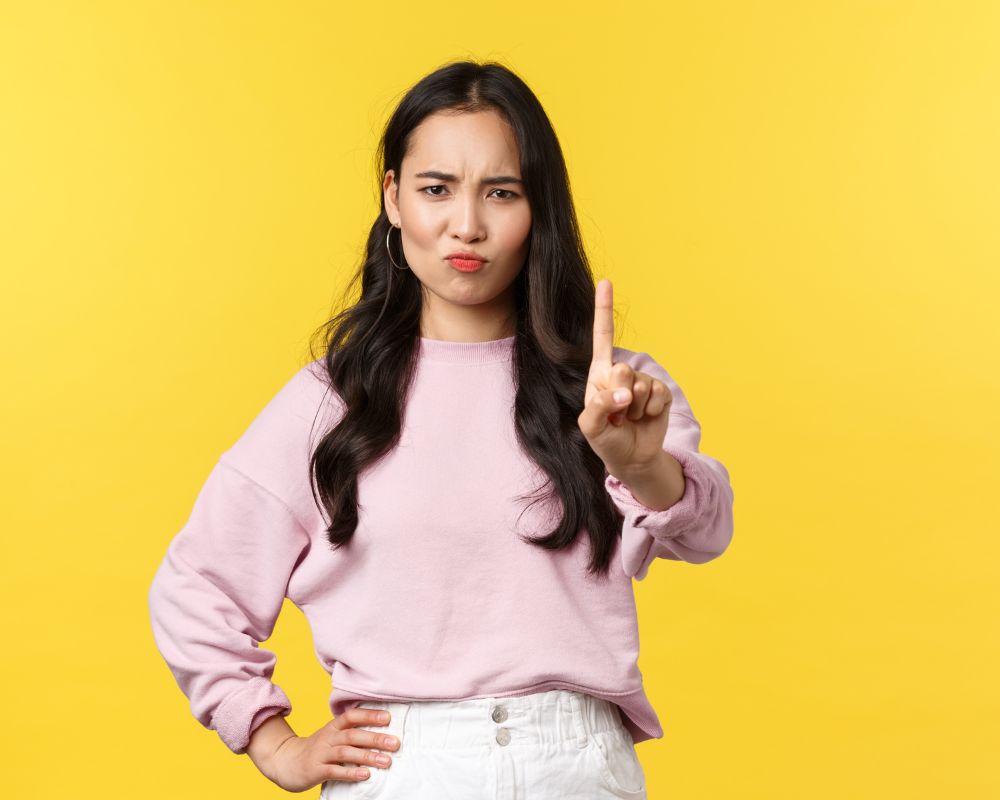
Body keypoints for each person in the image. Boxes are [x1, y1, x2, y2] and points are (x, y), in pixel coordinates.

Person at [148, 59, 735, 799]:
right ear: (393, 198)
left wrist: (643, 467)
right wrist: (271, 741)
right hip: (402, 765)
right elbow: (196, 586)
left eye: (502, 192)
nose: (468, 225)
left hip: (576, 762)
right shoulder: (331, 402)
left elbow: (707, 533)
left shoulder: (610, 390)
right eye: (436, 189)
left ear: (537, 208)